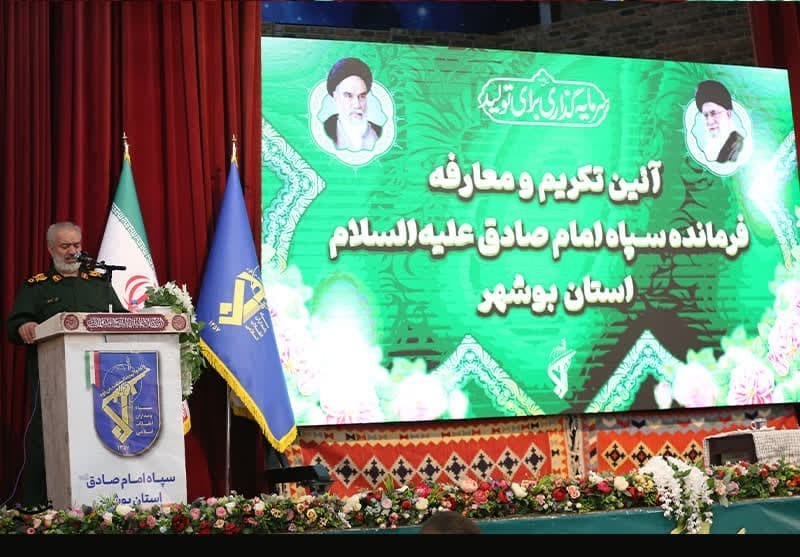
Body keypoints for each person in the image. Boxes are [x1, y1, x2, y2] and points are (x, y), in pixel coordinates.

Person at [6, 221, 127, 509]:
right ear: (51, 249)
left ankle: (102, 502)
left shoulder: (99, 283)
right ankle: (37, 505)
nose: (73, 251)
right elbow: (14, 325)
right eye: (65, 246)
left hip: (100, 380)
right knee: (46, 439)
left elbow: (121, 318)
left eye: (76, 245)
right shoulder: (37, 286)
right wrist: (25, 325)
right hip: (52, 380)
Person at [324, 57, 383, 151]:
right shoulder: (324, 132)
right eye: (349, 96)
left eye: (362, 96)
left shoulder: (379, 134)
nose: (357, 105)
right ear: (336, 97)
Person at [694, 80, 744, 164]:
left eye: (714, 113)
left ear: (728, 114)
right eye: (706, 115)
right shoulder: (710, 146)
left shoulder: (738, 146)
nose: (710, 121)